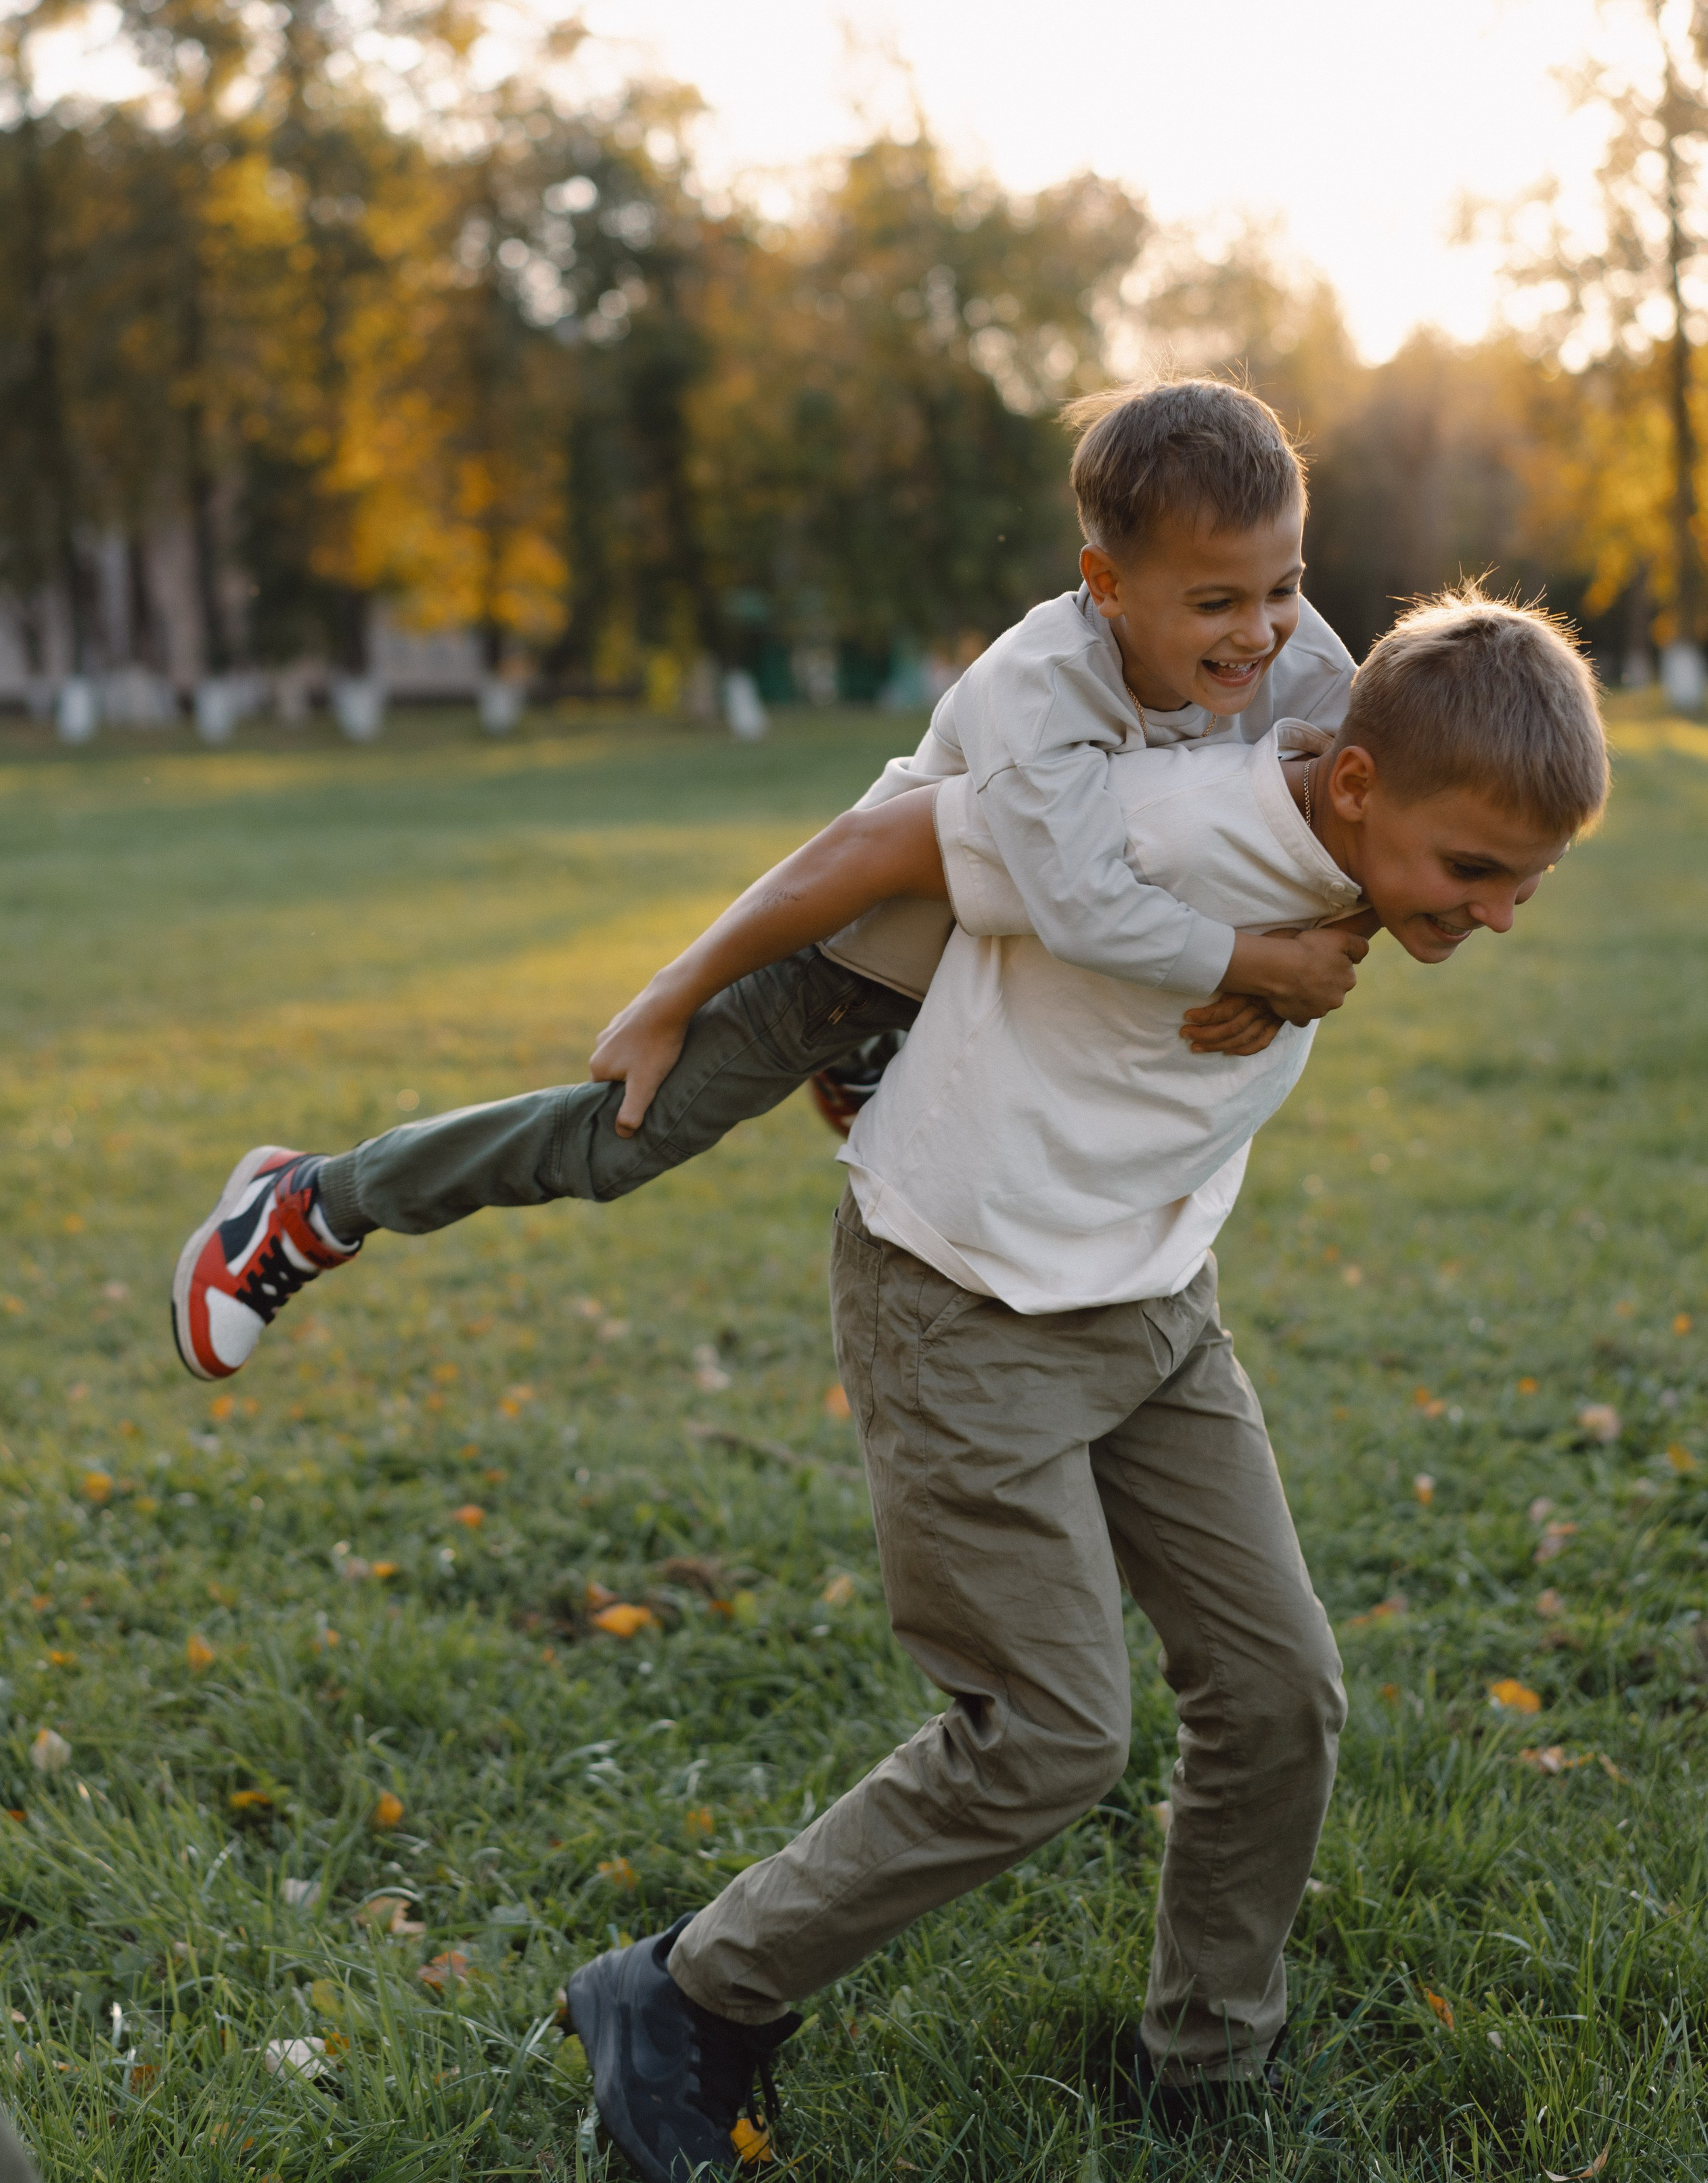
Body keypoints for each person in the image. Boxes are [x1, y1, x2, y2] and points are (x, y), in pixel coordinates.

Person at [559, 592, 1611, 2182]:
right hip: (962, 1297)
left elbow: (1347, 707)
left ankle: (1210, 2054)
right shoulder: (1149, 823)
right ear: (1352, 790)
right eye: (1473, 873)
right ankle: (686, 1990)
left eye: (1524, 883)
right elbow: (892, 845)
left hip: (1150, 1303)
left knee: (1277, 1692)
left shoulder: (1365, 861)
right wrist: (678, 993)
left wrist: (1294, 960)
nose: (1497, 915)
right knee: (1048, 1735)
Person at [171, 380, 1366, 1382]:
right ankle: (312, 1202)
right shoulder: (1039, 685)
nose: (1259, 633)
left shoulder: (1298, 647)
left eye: (1281, 586)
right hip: (861, 957)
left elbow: (1372, 798)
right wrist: (1268, 966)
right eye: (1215, 602)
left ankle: (872, 1073)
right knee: (620, 1141)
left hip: (1013, 1001)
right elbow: (1080, 903)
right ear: (1107, 584)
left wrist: (1324, 946)